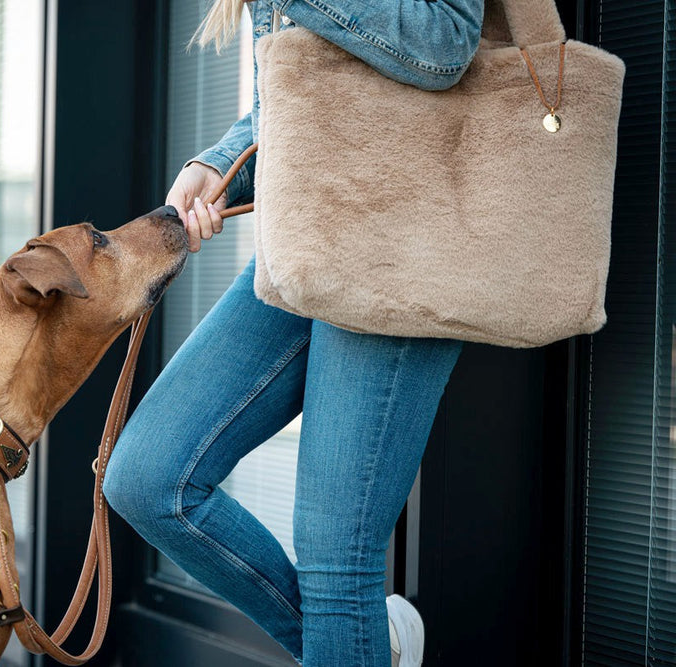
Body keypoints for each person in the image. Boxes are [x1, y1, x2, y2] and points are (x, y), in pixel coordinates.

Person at [103, 1, 485, 665]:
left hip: (397, 242)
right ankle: (370, 644)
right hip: (305, 241)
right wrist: (220, 162)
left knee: (336, 558)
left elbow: (446, 42)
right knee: (147, 476)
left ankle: (356, 640)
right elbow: (304, 95)